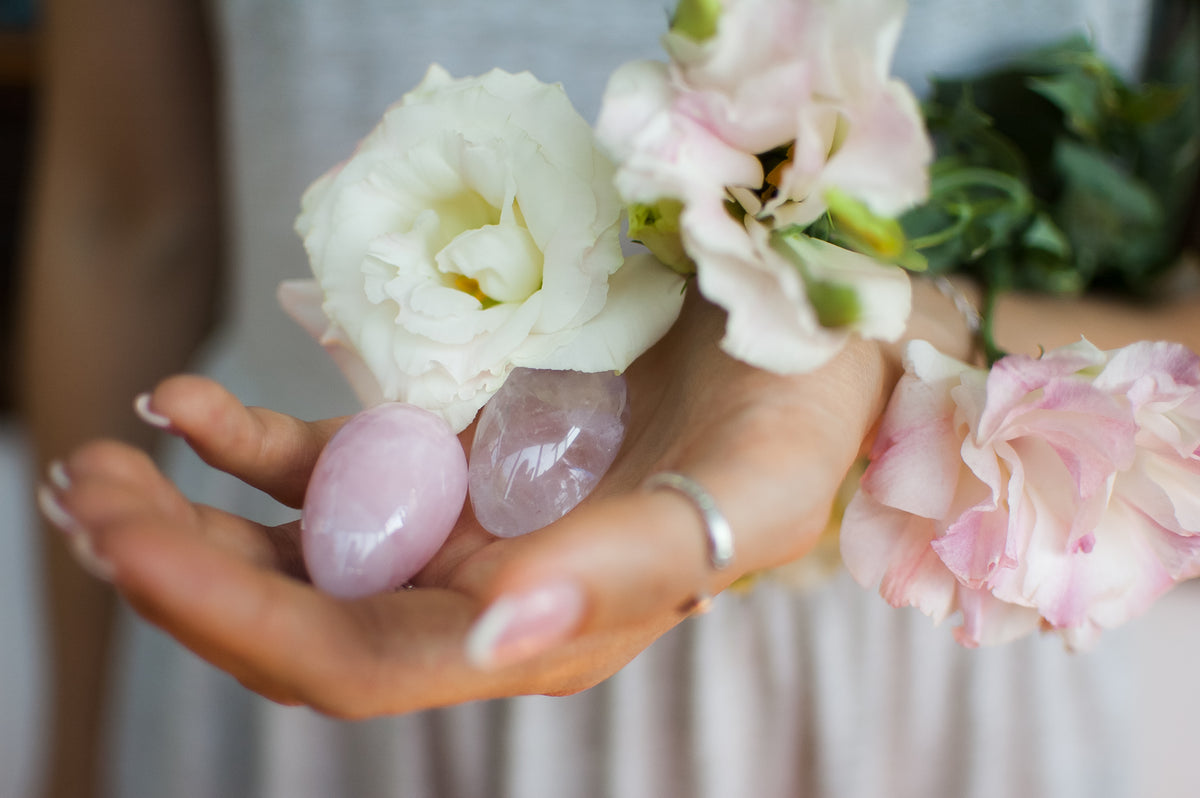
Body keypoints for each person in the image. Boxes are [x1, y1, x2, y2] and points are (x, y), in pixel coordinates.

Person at [23, 0, 1181, 796]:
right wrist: (75, 743)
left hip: (906, 679)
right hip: (278, 649)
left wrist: (877, 331)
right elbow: (124, 220)